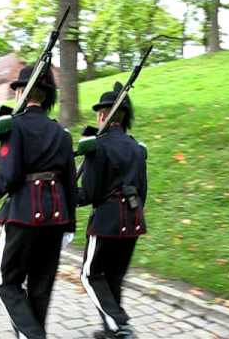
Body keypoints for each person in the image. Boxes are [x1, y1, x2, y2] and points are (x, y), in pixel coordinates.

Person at [0, 66, 76, 339]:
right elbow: (69, 185)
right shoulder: (62, 134)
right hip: (56, 218)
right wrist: (70, 227)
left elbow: (9, 174)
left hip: (23, 214)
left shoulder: (13, 126)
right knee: (40, 287)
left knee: (5, 283)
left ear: (20, 92)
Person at [77, 82, 148, 339]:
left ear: (103, 115)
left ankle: (119, 324)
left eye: (99, 112)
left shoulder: (98, 145)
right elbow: (142, 191)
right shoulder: (137, 148)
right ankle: (112, 332)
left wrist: (66, 196)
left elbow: (89, 193)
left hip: (106, 221)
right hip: (133, 219)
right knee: (113, 278)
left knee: (90, 274)